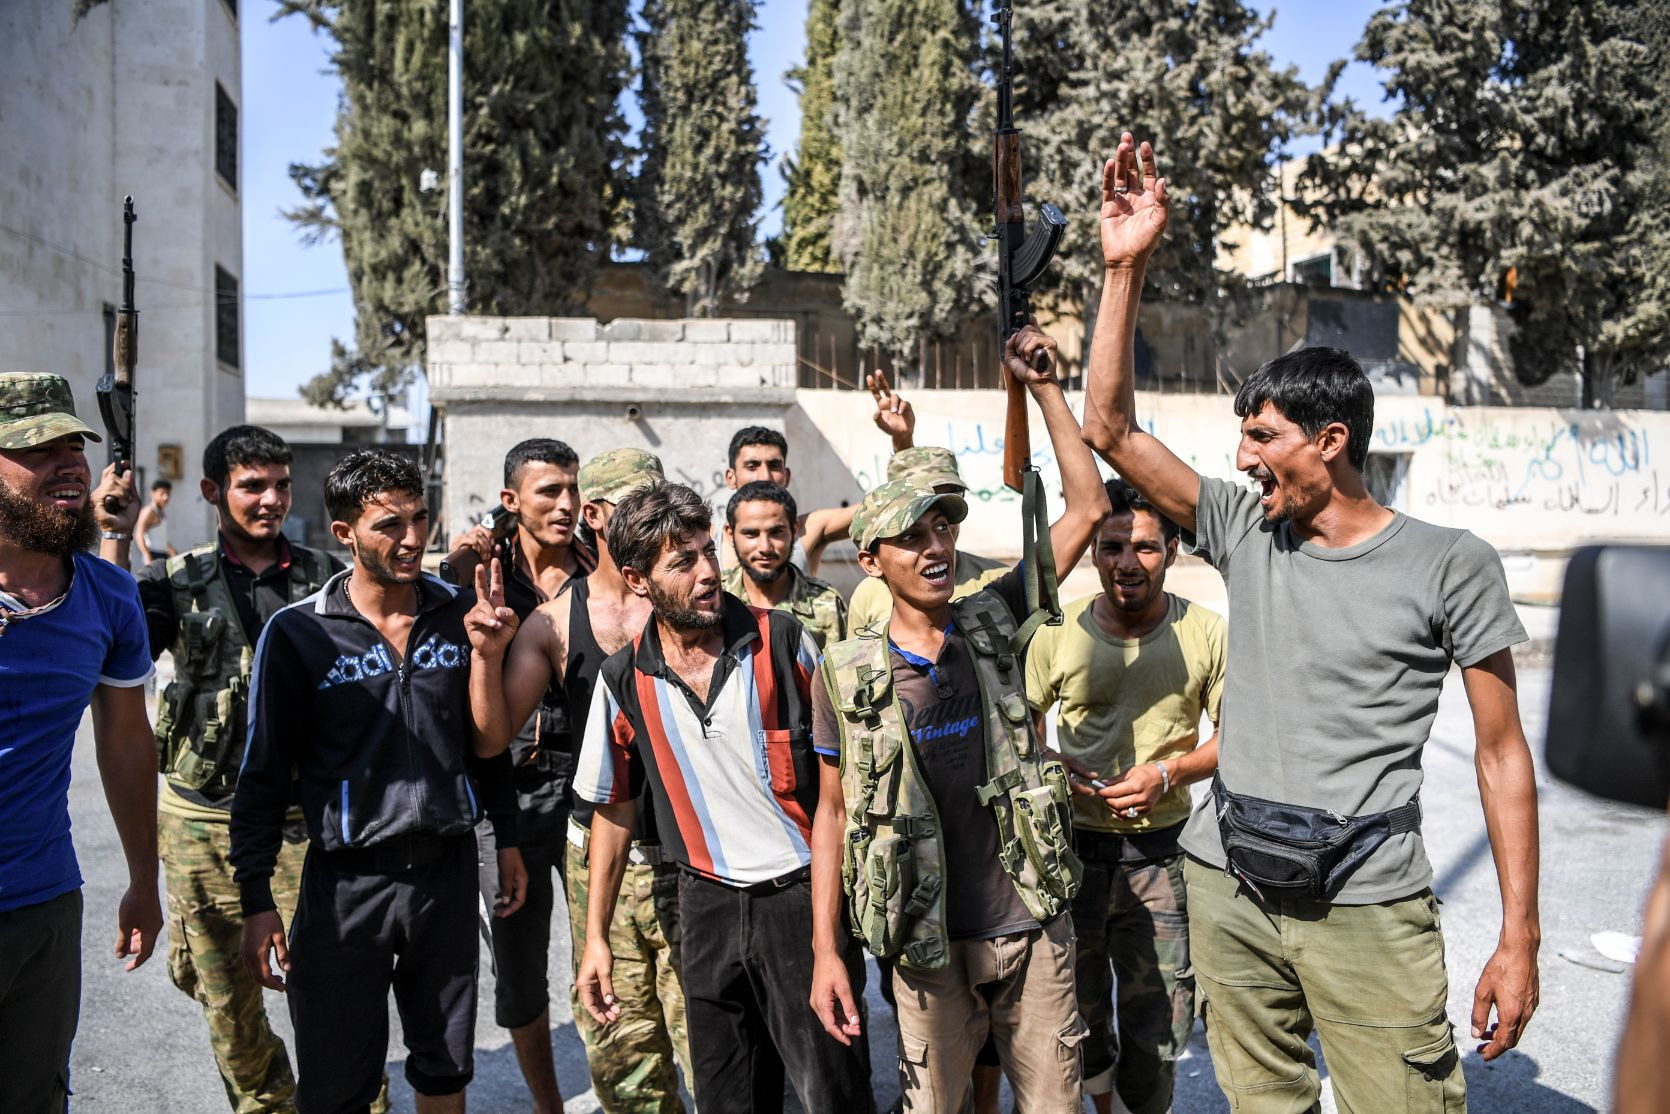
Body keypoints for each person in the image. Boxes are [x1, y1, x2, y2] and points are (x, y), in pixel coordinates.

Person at [1080, 132, 1540, 1112]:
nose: (1241, 459)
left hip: (1368, 905)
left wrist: (1518, 936)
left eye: (1261, 436)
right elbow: (1108, 430)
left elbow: (1502, 756)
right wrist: (1123, 269)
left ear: (1329, 441)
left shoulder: (1447, 563)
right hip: (1229, 884)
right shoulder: (1244, 527)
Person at [809, 324, 1112, 1114]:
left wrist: (1046, 386)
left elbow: (1088, 506)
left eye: (944, 526)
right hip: (925, 942)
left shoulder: (992, 617)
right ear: (871, 560)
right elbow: (833, 813)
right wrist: (824, 952)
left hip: (1031, 925)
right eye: (911, 537)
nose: (936, 547)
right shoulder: (845, 675)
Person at [231, 449, 528, 1114]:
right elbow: (263, 774)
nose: (414, 539)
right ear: (345, 535)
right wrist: (255, 897)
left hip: (445, 881)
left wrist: (502, 837)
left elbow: (485, 749)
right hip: (345, 884)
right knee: (338, 1085)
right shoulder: (300, 633)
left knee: (446, 1069)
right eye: (390, 525)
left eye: (421, 518)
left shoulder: (460, 612)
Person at [572, 481, 871, 1114]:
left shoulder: (787, 643)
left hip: (802, 900)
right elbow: (613, 808)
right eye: (683, 562)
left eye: (709, 552)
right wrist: (595, 936)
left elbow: (838, 803)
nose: (709, 572)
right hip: (704, 905)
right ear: (637, 579)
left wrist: (827, 946)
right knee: (728, 1097)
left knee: (834, 1092)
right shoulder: (623, 679)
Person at [103, 425, 343, 1113]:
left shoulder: (327, 580)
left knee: (329, 992)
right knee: (224, 1002)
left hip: (302, 825)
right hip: (201, 821)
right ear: (213, 492)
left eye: (279, 485)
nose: (270, 500)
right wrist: (114, 538)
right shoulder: (172, 583)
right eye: (251, 486)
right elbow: (112, 644)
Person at [493, 447, 691, 1113]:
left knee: (714, 1043)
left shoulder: (696, 601)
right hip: (599, 847)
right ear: (599, 516)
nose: (654, 518)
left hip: (694, 848)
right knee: (623, 1058)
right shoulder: (550, 622)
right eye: (638, 504)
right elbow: (489, 739)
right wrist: (482, 654)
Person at [1025, 479, 1225, 1114]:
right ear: (1092, 552)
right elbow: (1022, 732)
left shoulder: (1207, 633)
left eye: (1144, 547)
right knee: (1074, 1016)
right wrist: (1054, 763)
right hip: (1072, 858)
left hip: (1164, 860)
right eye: (1111, 546)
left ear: (1172, 550)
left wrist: (1168, 775)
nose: (1126, 563)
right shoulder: (1057, 631)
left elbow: (1238, 736)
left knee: (1162, 1024)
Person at [0, 373, 161, 1111]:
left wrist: (143, 879)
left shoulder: (108, 594)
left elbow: (126, 745)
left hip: (42, 905)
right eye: (37, 447)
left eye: (75, 446)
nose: (68, 463)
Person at [443, 437, 595, 1114]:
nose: (566, 505)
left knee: (611, 951)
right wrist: (455, 569)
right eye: (548, 492)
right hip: (511, 796)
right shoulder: (482, 573)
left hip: (596, 789)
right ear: (511, 501)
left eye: (572, 490)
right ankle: (549, 1106)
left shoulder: (603, 570)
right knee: (520, 968)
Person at [721, 480, 848, 650]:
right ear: (730, 534)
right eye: (751, 534)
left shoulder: (826, 603)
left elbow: (839, 674)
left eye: (776, 532)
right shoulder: (716, 598)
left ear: (795, 530)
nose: (765, 547)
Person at [134, 477, 176, 564]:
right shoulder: (148, 511)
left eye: (168, 494)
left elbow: (161, 537)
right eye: (162, 493)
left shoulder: (160, 512)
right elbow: (139, 535)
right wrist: (147, 556)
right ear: (153, 493)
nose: (165, 497)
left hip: (163, 554)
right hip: (153, 554)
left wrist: (171, 550)